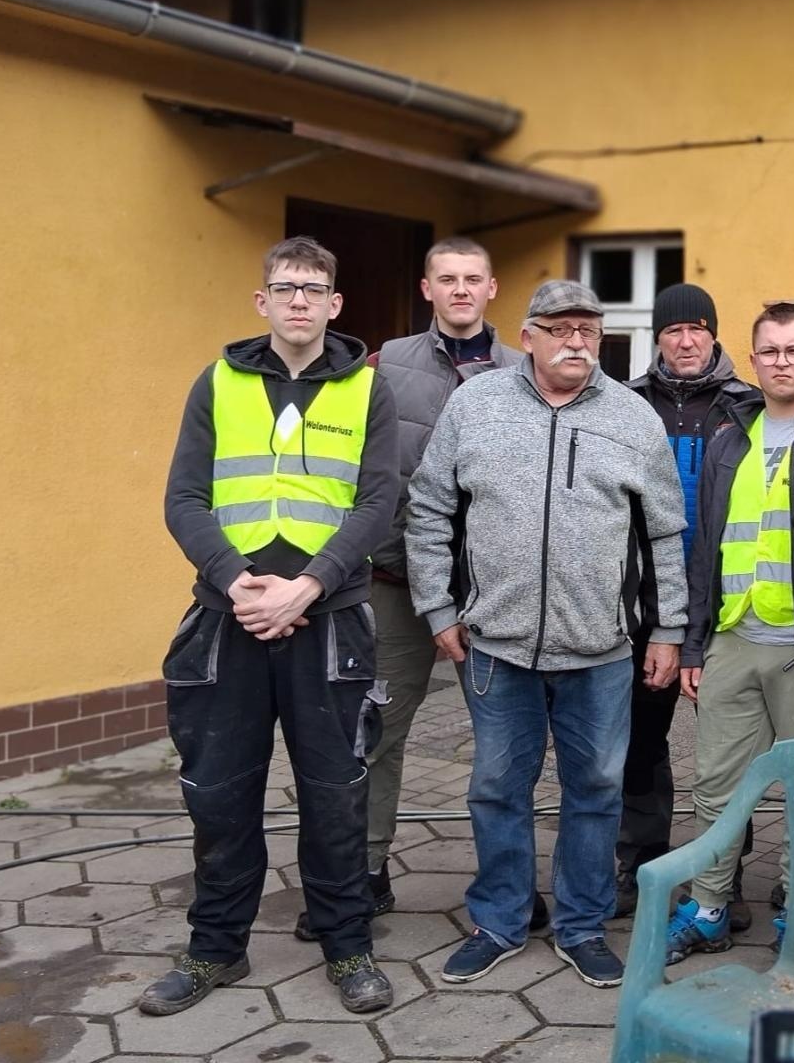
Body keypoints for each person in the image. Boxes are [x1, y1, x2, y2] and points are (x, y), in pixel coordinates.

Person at [405, 280, 687, 989]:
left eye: (588, 330)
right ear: (527, 336)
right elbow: (430, 505)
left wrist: (668, 629)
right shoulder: (476, 405)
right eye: (559, 328)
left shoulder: (633, 417)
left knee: (595, 789)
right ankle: (499, 919)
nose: (575, 342)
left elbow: (665, 533)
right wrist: (438, 608)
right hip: (497, 647)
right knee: (498, 787)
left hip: (602, 651)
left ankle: (583, 925)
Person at [146, 236, 398, 1016]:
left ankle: (346, 944)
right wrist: (236, 581)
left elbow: (377, 502)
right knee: (219, 794)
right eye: (285, 286)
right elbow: (183, 498)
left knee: (336, 792)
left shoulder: (367, 390)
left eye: (314, 287)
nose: (299, 300)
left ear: (334, 304)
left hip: (330, 623)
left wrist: (308, 587)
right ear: (262, 300)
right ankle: (215, 949)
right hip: (230, 621)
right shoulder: (216, 384)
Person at [291, 236, 538, 943]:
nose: (460, 290)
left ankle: (509, 881)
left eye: (473, 279)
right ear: (426, 288)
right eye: (447, 279)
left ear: (493, 288)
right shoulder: (383, 367)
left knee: (507, 745)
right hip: (397, 584)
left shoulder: (525, 370)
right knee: (376, 732)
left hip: (497, 593)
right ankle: (361, 875)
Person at [665, 303, 794, 964]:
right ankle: (709, 908)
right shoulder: (730, 438)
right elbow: (707, 544)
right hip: (733, 640)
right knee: (715, 783)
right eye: (769, 352)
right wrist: (693, 642)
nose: (781, 362)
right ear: (754, 357)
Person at [617, 283, 757, 923]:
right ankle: (637, 866)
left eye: (698, 328)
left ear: (714, 334)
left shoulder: (747, 407)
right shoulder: (625, 405)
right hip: (641, 603)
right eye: (674, 330)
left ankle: (720, 881)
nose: (687, 339)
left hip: (726, 601)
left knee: (728, 750)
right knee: (640, 743)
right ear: (658, 338)